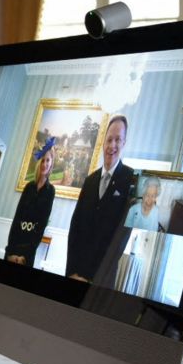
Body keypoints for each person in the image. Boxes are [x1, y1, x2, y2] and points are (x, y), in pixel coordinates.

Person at [65, 114, 136, 286]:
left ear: (124, 143)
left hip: (101, 280)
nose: (112, 145)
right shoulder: (89, 181)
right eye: (109, 139)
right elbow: (75, 229)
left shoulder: (131, 180)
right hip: (76, 274)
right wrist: (72, 271)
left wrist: (96, 278)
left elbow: (121, 238)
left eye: (118, 140)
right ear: (103, 142)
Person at [5, 137, 56, 266]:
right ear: (39, 162)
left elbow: (42, 224)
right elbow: (17, 218)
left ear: (51, 163)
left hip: (28, 251)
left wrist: (25, 254)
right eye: (42, 160)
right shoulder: (28, 187)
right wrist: (10, 251)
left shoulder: (50, 191)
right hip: (15, 242)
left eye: (48, 160)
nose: (45, 164)